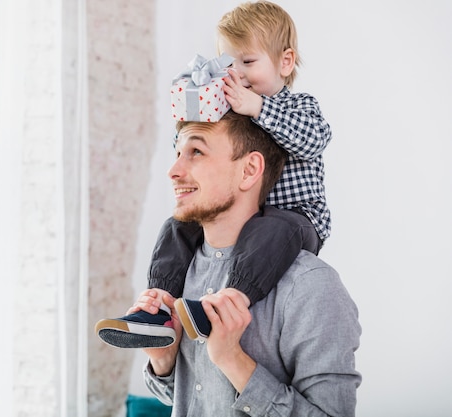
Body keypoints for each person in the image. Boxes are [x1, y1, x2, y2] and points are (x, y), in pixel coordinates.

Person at [95, 0, 331, 348]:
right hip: (242, 219)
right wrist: (194, 109)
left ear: (285, 62)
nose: (237, 74)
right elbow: (198, 147)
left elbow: (315, 139)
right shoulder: (229, 109)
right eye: (229, 64)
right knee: (179, 224)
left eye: (248, 62)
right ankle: (158, 308)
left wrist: (259, 108)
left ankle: (225, 305)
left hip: (296, 219)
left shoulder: (296, 106)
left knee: (272, 229)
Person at [140, 110, 361, 416]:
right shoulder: (181, 272)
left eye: (196, 152)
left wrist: (233, 359)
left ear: (249, 170)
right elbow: (188, 398)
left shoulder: (310, 286)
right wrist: (163, 362)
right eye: (177, 152)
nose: (173, 170)